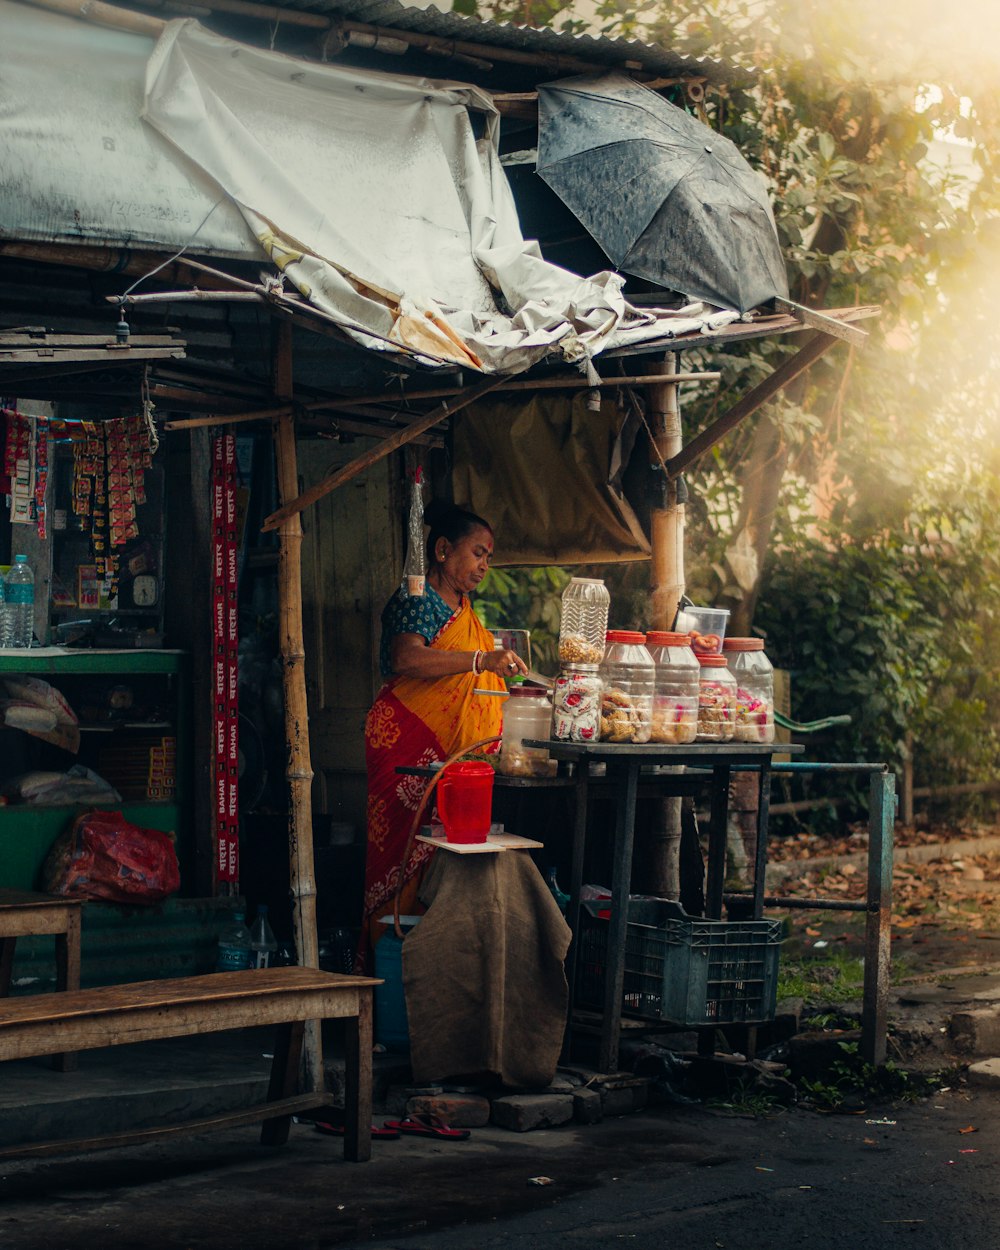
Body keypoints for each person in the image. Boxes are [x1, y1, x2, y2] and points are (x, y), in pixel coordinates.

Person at [360, 503, 528, 963]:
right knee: (400, 858)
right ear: (441, 550)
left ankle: (434, 974)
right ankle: (386, 975)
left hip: (451, 756)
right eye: (478, 553)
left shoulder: (465, 614)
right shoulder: (416, 599)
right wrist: (480, 661)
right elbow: (407, 659)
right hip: (405, 742)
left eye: (489, 558)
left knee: (444, 856)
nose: (484, 567)